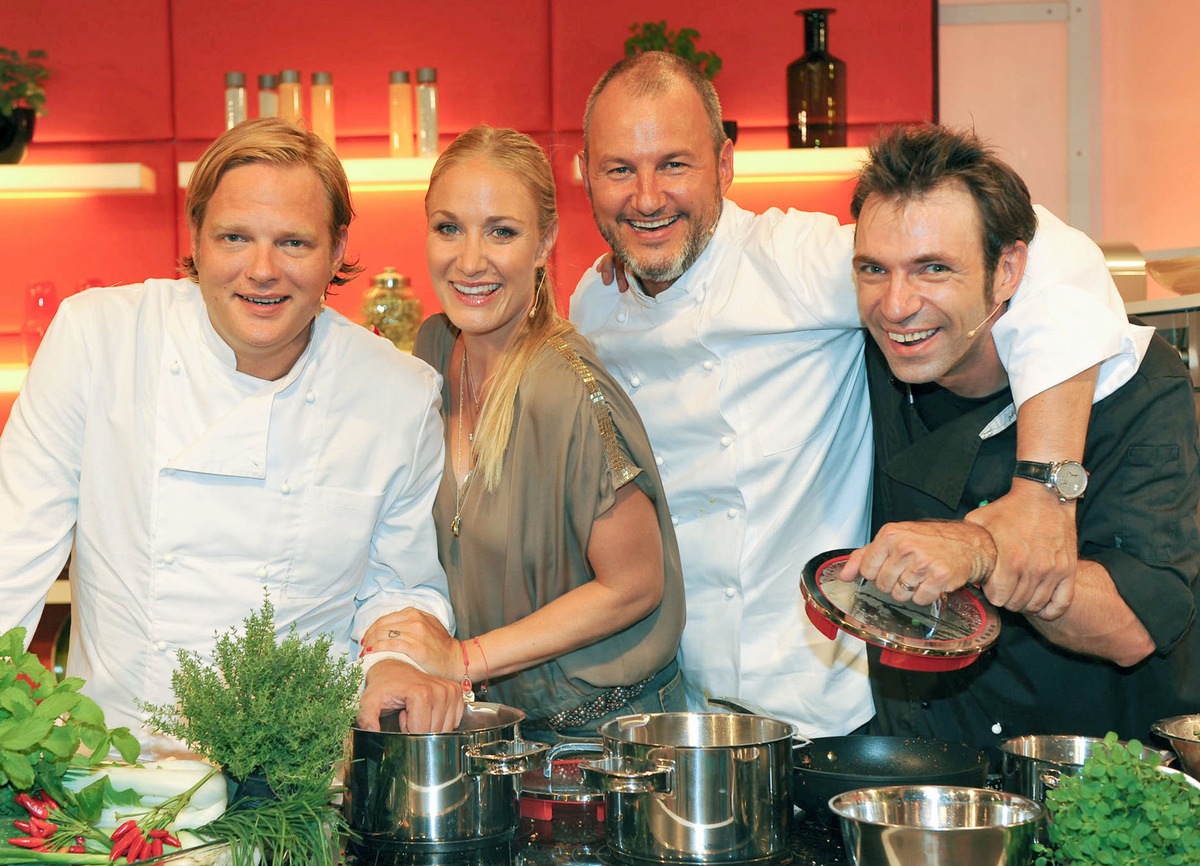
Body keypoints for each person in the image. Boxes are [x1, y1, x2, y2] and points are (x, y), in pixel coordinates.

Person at [569, 51, 1148, 737]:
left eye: (674, 164)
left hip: (824, 698)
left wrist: (1042, 491)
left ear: (724, 164)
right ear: (583, 174)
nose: (646, 197)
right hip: (683, 698)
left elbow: (1049, 251)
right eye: (619, 170)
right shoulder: (590, 305)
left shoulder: (793, 261)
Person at [0, 118, 463, 755]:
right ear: (196, 238)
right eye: (234, 237)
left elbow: (399, 584)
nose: (262, 270)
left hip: (299, 782)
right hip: (114, 771)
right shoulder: (99, 340)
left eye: (295, 242)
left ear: (337, 248)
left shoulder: (397, 393)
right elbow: (12, 547)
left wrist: (394, 659)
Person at [841, 124, 1199, 762]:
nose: (896, 305)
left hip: (1089, 776)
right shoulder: (871, 358)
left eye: (934, 269)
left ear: (1008, 268)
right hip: (924, 771)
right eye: (874, 269)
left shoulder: (1136, 386)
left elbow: (1134, 625)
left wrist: (980, 551)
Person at [362, 126, 686, 740]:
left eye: (501, 232)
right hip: (501, 728)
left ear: (545, 244)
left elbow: (635, 585)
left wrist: (464, 659)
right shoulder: (434, 349)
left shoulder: (564, 386)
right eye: (448, 227)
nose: (470, 260)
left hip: (607, 738)